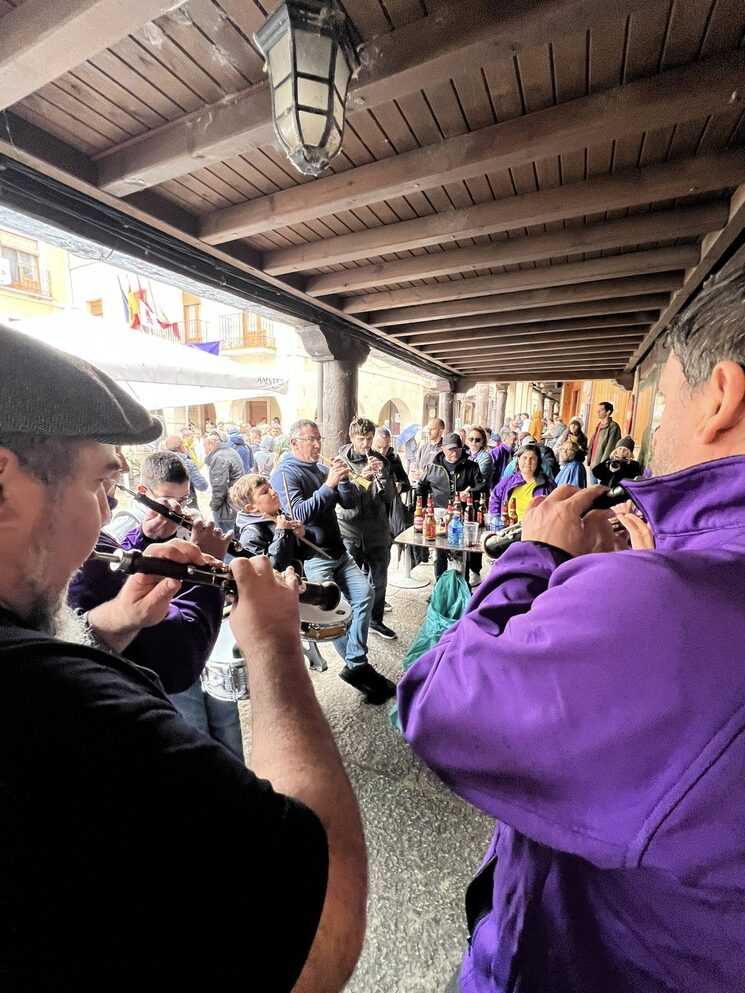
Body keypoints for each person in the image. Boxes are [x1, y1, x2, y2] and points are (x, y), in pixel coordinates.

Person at [397, 263, 745, 993]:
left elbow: (437, 703)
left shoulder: (672, 602)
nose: (649, 441)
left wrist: (538, 554)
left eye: (657, 414)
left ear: (720, 396)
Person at [0, 323, 366, 992]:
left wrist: (114, 624)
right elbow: (322, 930)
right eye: (99, 488)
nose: (102, 522)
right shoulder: (65, 710)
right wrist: (274, 647)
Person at [270, 419, 395, 704]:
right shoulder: (285, 474)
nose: (316, 445)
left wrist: (347, 479)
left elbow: (349, 503)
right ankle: (358, 666)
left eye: (318, 439)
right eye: (310, 440)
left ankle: (355, 662)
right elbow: (299, 515)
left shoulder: (321, 466)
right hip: (316, 557)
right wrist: (328, 485)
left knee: (365, 595)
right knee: (335, 613)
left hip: (338, 551)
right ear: (294, 444)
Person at [336, 417, 397, 641]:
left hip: (377, 530)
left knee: (379, 579)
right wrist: (361, 479)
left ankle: (375, 621)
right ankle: (350, 621)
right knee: (349, 580)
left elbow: (390, 497)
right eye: (361, 439)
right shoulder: (340, 462)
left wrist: (384, 475)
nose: (365, 444)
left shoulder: (381, 460)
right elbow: (344, 500)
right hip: (349, 530)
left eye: (369, 439)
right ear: (352, 438)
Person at [416, 433, 485, 583]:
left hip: (464, 516)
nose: (454, 453)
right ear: (443, 449)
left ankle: (462, 587)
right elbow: (421, 487)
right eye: (450, 450)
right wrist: (422, 509)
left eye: (457, 450)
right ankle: (440, 587)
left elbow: (482, 485)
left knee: (462, 552)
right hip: (440, 515)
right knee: (440, 551)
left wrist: (471, 492)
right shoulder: (433, 467)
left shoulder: (471, 466)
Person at [231, 472, 307, 571]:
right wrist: (281, 533)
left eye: (270, 487)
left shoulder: (280, 515)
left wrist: (303, 534)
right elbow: (271, 570)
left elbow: (303, 554)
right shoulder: (251, 536)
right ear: (251, 508)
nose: (273, 492)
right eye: (265, 492)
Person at [489, 443, 556, 522]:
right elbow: (495, 498)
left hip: (535, 529)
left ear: (538, 462)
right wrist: (496, 517)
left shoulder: (548, 485)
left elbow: (555, 509)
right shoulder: (507, 481)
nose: (528, 462)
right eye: (524, 458)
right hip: (509, 528)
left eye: (532, 459)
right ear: (518, 460)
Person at [204, 430, 245, 533]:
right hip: (235, 502)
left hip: (227, 506)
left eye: (205, 447)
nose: (205, 451)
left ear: (211, 443)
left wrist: (214, 505)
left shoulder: (219, 456)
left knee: (226, 539)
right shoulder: (230, 451)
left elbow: (219, 486)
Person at [165, 433, 208, 507]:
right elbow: (202, 485)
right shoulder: (187, 463)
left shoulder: (159, 462)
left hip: (167, 504)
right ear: (182, 447)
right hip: (187, 502)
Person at [588, 401, 622, 478]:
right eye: (598, 409)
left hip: (602, 466)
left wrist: (603, 465)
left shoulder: (613, 427)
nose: (598, 412)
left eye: (601, 410)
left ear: (608, 412)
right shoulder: (599, 425)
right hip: (593, 463)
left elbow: (610, 448)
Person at [410, 417, 445, 482]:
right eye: (428, 429)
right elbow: (417, 468)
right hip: (423, 487)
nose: (428, 432)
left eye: (432, 429)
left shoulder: (445, 449)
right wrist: (416, 473)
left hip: (437, 488)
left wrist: (426, 474)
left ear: (441, 431)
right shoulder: (423, 448)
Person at [466, 425, 493, 494]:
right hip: (464, 495)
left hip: (479, 495)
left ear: (483, 442)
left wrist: (465, 491)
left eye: (477, 439)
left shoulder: (485, 457)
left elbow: (478, 478)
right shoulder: (464, 454)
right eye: (471, 439)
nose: (473, 442)